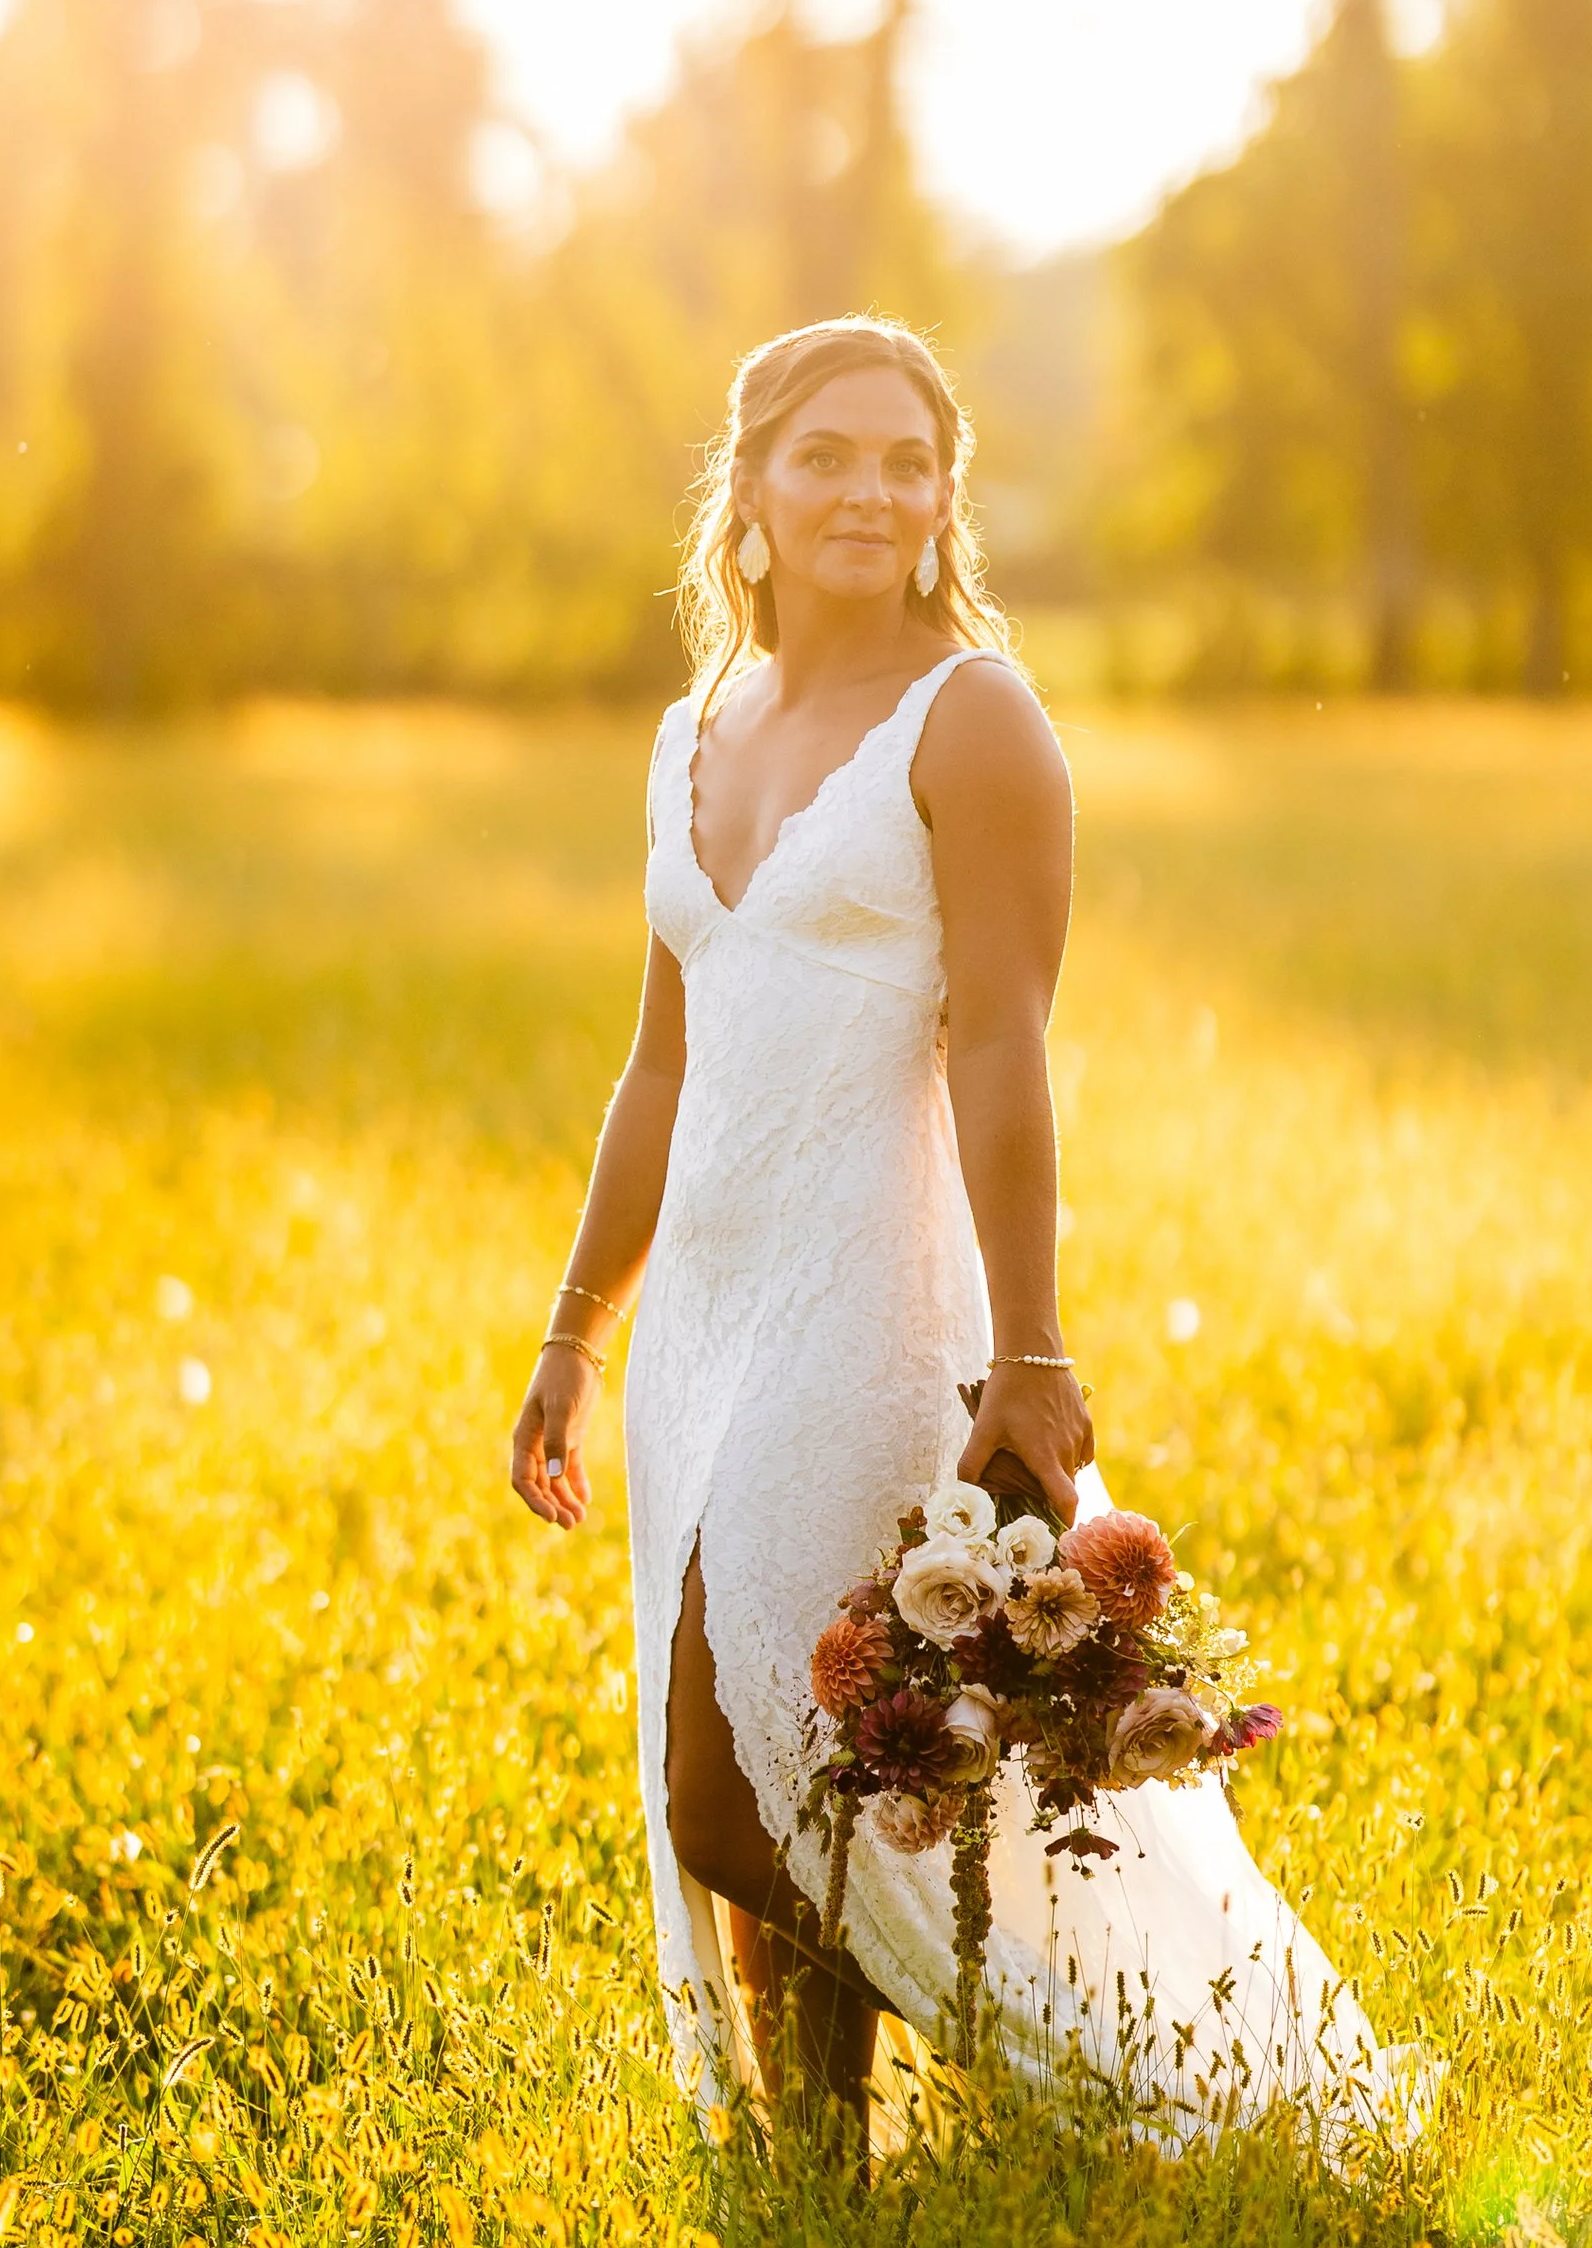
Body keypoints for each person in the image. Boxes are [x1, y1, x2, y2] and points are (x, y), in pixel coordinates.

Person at [509, 316, 1406, 2152]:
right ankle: (828, 2171)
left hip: (871, 1301)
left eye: (909, 460)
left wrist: (1034, 1347)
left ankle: (1148, 2101)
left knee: (741, 1771)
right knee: (805, 1763)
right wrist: (575, 1334)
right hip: (707, 1322)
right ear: (749, 491)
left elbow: (1003, 1042)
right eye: (829, 454)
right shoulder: (697, 727)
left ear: (945, 501)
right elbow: (659, 1067)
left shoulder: (974, 717)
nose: (873, 490)